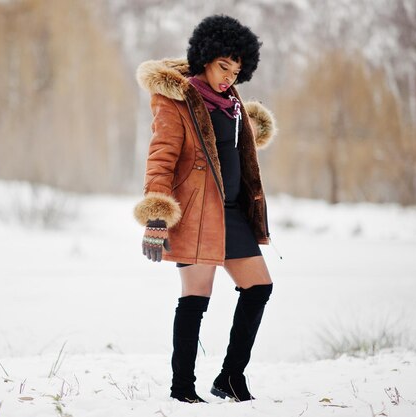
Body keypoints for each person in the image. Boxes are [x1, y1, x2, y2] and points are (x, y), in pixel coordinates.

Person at [133, 15, 278, 403]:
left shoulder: (233, 106)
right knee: (196, 299)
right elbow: (161, 159)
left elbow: (233, 153)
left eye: (237, 70)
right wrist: (157, 217)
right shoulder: (177, 100)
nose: (229, 76)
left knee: (259, 287)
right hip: (196, 213)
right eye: (222, 66)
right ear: (205, 58)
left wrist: (251, 130)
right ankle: (182, 389)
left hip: (232, 213)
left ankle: (231, 376)